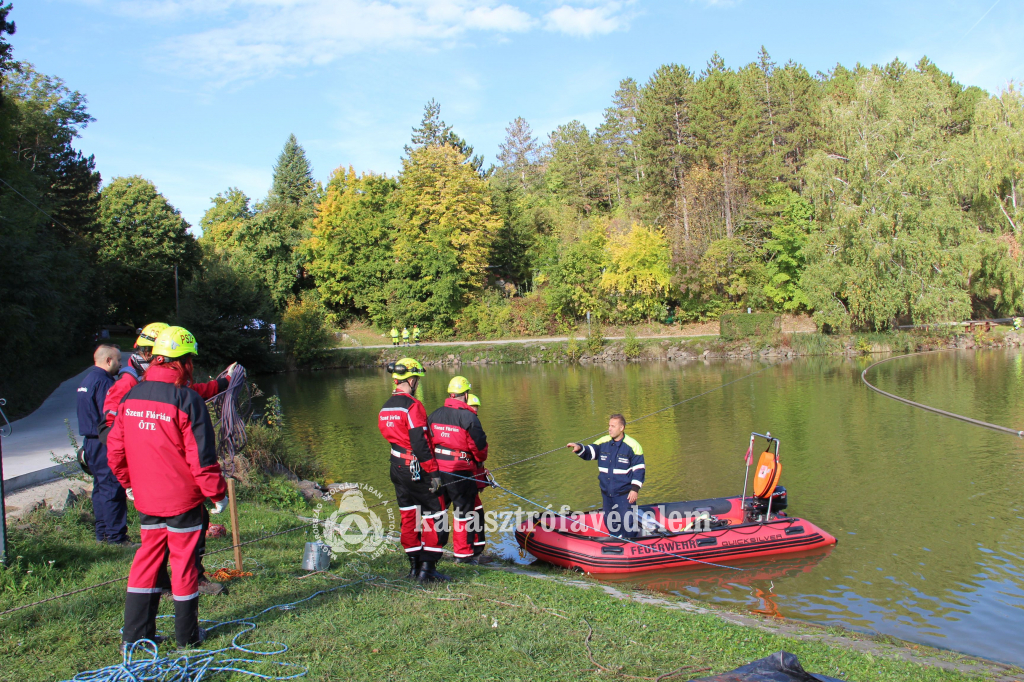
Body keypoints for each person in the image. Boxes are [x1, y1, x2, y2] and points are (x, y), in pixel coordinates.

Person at [107, 326, 228, 650]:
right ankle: (187, 637)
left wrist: (129, 485)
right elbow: (201, 459)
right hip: (182, 501)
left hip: (147, 499)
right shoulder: (186, 400)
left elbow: (115, 449)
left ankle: (134, 638)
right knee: (184, 566)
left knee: (146, 562)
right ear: (183, 362)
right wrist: (217, 494)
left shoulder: (131, 395)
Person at [378, 358, 449, 583]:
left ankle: (413, 567)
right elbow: (420, 442)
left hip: (396, 466)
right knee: (436, 513)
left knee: (409, 514)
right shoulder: (412, 405)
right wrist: (435, 473)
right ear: (410, 380)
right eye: (416, 379)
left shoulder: (387, 405)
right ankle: (428, 570)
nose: (417, 383)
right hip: (416, 467)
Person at [427, 377, 488, 565]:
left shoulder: (435, 414)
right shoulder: (469, 417)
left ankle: (431, 551)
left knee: (436, 512)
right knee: (463, 512)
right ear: (466, 394)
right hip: (460, 470)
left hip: (436, 471)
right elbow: (479, 449)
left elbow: (426, 442)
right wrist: (477, 462)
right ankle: (463, 555)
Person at [78, 344, 128, 545]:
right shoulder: (105, 383)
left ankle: (103, 534)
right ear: (109, 361)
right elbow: (109, 415)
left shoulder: (87, 380)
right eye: (118, 361)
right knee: (112, 488)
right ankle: (116, 538)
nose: (121, 365)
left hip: (89, 442)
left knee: (99, 488)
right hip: (104, 442)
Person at [566, 414, 645, 538]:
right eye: (609, 426)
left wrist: (635, 490)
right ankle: (616, 542)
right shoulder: (603, 442)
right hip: (607, 493)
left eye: (613, 426)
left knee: (628, 523)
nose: (609, 429)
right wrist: (579, 448)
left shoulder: (633, 446)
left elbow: (639, 470)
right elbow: (590, 452)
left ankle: (631, 544)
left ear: (621, 428)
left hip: (625, 495)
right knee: (610, 521)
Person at [465, 394, 489, 561]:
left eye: (477, 409)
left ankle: (470, 550)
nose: (475, 412)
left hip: (454, 473)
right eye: (474, 408)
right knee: (475, 512)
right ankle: (475, 552)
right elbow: (478, 454)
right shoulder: (469, 423)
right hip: (465, 475)